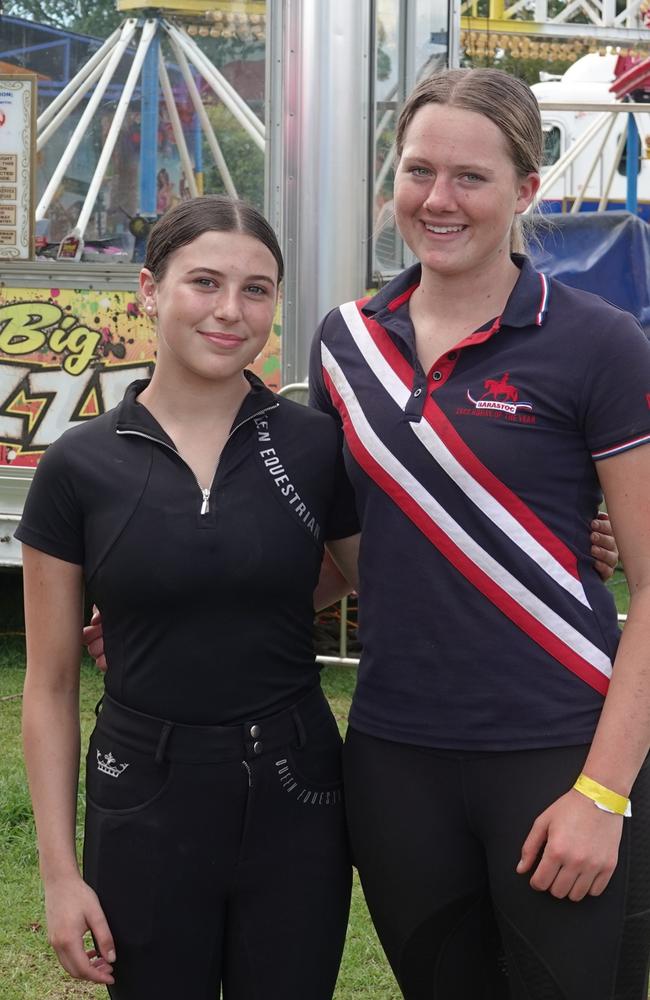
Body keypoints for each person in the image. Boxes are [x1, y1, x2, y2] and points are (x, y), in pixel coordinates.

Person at [308, 69, 650, 999]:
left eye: (472, 176)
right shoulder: (345, 342)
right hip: (394, 757)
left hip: (557, 754)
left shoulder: (598, 341)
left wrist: (604, 793)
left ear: (526, 190)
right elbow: (350, 553)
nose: (438, 200)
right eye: (419, 170)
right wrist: (173, 609)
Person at [18, 196, 360, 1000]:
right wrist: (61, 878)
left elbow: (380, 575)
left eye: (257, 290)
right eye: (204, 282)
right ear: (148, 290)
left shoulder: (313, 446)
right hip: (144, 792)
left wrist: (570, 534)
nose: (230, 311)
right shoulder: (79, 467)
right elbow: (51, 683)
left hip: (297, 790)